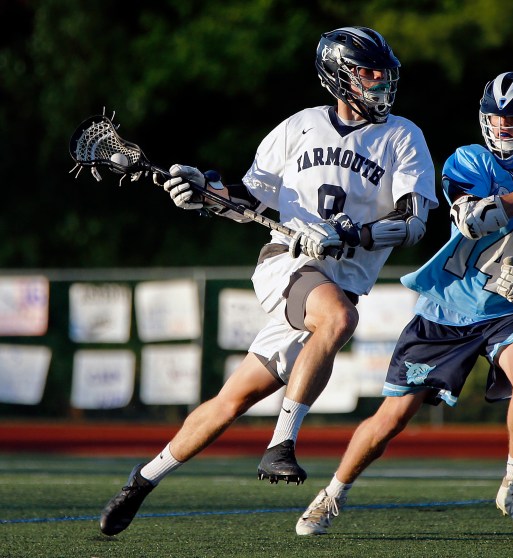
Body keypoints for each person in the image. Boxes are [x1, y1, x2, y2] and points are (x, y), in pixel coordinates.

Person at [98, 26, 437, 536]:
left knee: (229, 402)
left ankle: (141, 480)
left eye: (385, 74)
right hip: (287, 264)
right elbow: (253, 201)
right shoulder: (297, 127)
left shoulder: (403, 137)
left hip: (338, 278)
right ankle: (282, 444)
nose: (380, 84)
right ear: (338, 76)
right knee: (341, 319)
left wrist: (352, 235)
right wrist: (204, 192)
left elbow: (413, 223)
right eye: (368, 73)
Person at [295, 71, 513, 542]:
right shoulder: (468, 160)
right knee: (393, 418)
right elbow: (472, 220)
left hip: (502, 311)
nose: (503, 127)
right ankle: (332, 493)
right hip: (445, 310)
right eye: (495, 117)